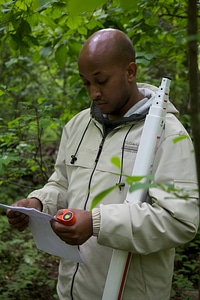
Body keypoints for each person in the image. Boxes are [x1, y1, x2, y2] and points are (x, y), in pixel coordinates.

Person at [6, 28, 199, 300]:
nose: (94, 93)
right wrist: (39, 203)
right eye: (86, 83)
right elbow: (62, 182)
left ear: (130, 71)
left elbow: (179, 220)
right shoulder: (78, 125)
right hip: (72, 291)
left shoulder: (168, 134)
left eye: (101, 81)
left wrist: (97, 223)